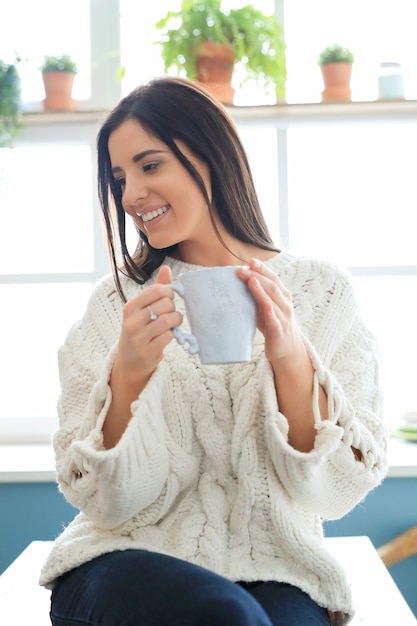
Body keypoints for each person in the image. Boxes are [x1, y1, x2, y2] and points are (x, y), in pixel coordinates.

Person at [40, 76, 388, 626]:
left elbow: (339, 489)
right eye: (120, 177)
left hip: (278, 565)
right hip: (120, 560)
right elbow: (101, 501)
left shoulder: (323, 294)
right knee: (226, 613)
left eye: (149, 166)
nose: (130, 194)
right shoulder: (115, 306)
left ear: (210, 157)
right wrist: (127, 376)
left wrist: (293, 361)